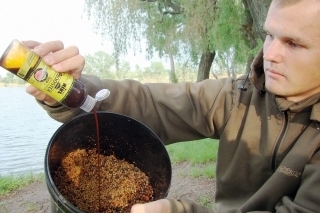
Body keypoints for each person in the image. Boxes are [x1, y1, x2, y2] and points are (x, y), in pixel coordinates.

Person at [24, 0, 320, 212]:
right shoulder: (239, 96)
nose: (270, 54)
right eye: (269, 35)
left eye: (294, 43)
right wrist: (71, 91)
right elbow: (151, 104)